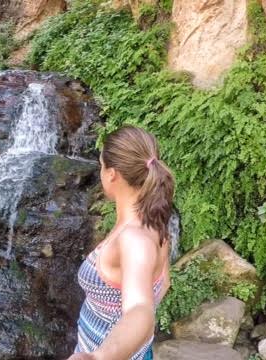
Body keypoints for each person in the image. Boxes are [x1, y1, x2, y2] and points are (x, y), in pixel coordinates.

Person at [68, 125, 176, 360]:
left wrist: (98, 357)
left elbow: (140, 311)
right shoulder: (156, 223)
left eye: (101, 166)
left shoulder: (133, 239)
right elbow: (163, 283)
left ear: (112, 174)